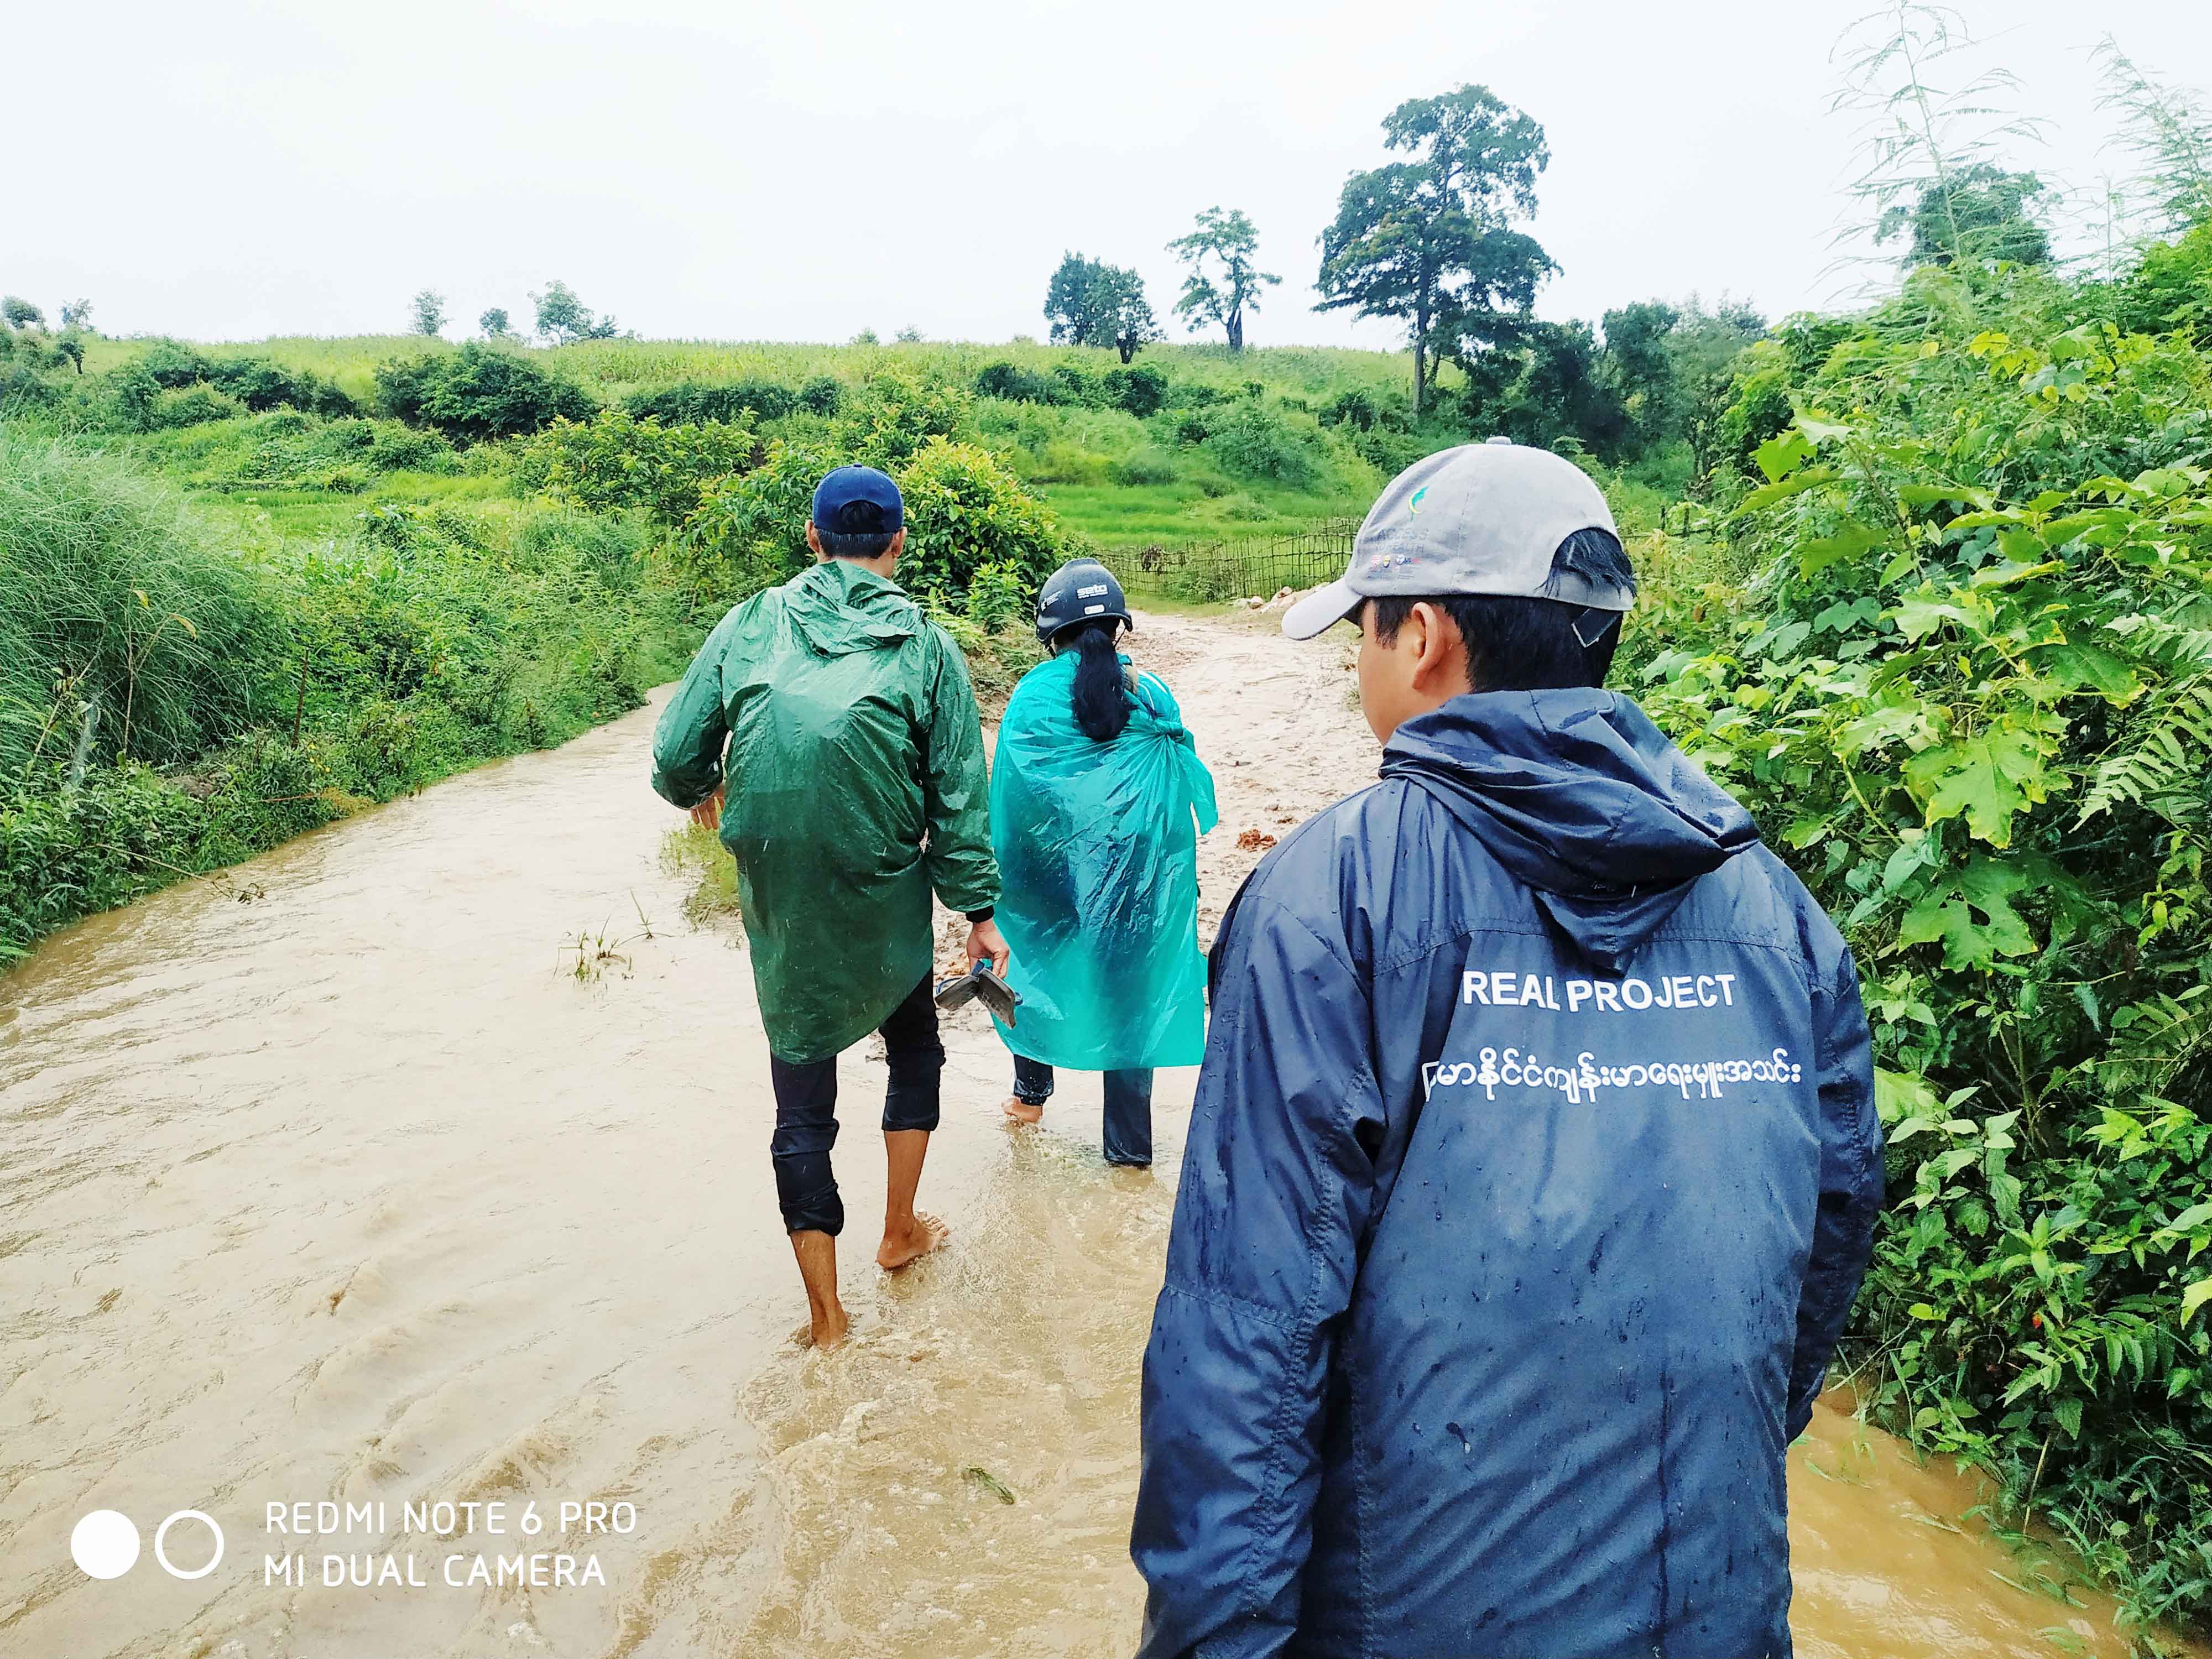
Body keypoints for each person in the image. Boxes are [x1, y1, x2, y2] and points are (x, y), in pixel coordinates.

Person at [1130, 439, 1883, 1658]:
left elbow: (1247, 1340)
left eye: (1361, 633)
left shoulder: (1332, 898)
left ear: (1420, 637)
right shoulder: (1774, 910)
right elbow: (1828, 1240)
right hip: (1719, 1612)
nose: (1358, 667)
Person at [650, 465, 1008, 1350]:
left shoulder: (751, 623)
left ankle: (826, 1319)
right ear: (898, 543)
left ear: (812, 541)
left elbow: (671, 756)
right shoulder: (925, 648)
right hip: (887, 892)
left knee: (801, 1102)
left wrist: (703, 784)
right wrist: (978, 911)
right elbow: (960, 795)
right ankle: (899, 1232)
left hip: (784, 902)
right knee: (915, 1048)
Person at [987, 559, 1218, 1167]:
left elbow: (1013, 802)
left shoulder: (1033, 695)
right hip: (1135, 883)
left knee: (1034, 953)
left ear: (1049, 632)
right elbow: (1171, 805)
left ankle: (1029, 1101)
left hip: (1054, 874)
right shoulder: (1152, 691)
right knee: (1131, 996)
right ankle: (1129, 1152)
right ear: (1120, 627)